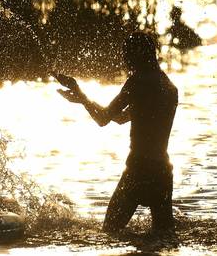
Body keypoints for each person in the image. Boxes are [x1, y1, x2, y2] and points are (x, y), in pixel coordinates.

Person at [53, 31, 178, 232]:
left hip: (138, 170)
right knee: (163, 238)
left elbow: (103, 119)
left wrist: (81, 95)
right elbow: (120, 118)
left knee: (109, 232)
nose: (125, 61)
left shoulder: (137, 82)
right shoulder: (168, 86)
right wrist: (84, 99)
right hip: (163, 172)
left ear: (136, 55)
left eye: (127, 55)